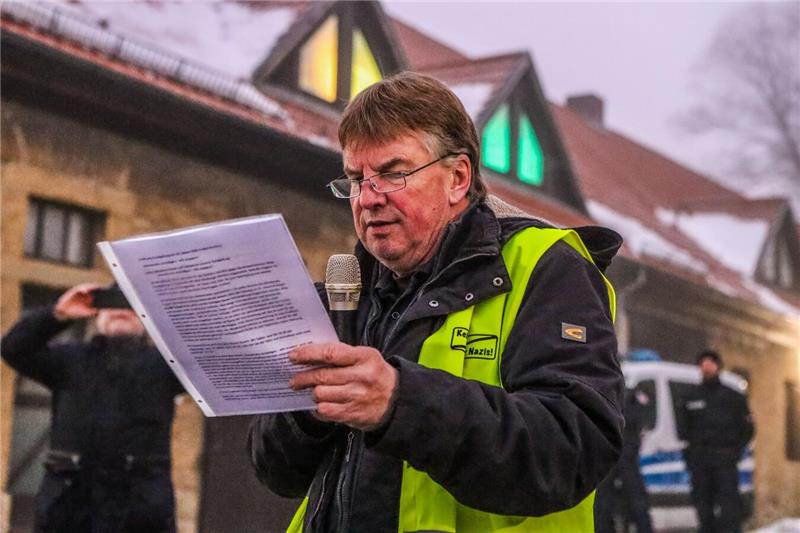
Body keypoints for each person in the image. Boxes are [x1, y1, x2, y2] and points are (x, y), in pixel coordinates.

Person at [247, 72, 625, 532]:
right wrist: (308, 414)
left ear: (458, 178)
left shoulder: (546, 268)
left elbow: (572, 450)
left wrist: (401, 402)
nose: (367, 199)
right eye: (355, 179)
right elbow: (275, 471)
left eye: (392, 174)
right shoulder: (346, 292)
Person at [1, 283, 184, 533]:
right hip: (69, 502)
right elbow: (14, 349)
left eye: (132, 304)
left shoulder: (166, 366)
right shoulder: (68, 360)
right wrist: (58, 313)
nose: (122, 311)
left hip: (140, 506)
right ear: (97, 311)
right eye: (113, 303)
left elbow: (216, 358)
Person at [677, 350, 754, 533]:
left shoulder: (733, 397)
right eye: (703, 364)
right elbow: (683, 429)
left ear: (718, 367)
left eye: (710, 363)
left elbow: (747, 429)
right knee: (703, 509)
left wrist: (734, 451)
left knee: (729, 511)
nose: (706, 367)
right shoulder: (690, 397)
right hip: (700, 462)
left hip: (724, 462)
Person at [594, 384, 654, 533]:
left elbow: (640, 427)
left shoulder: (632, 400)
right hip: (610, 458)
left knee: (637, 503)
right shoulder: (602, 398)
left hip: (624, 458)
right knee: (603, 505)